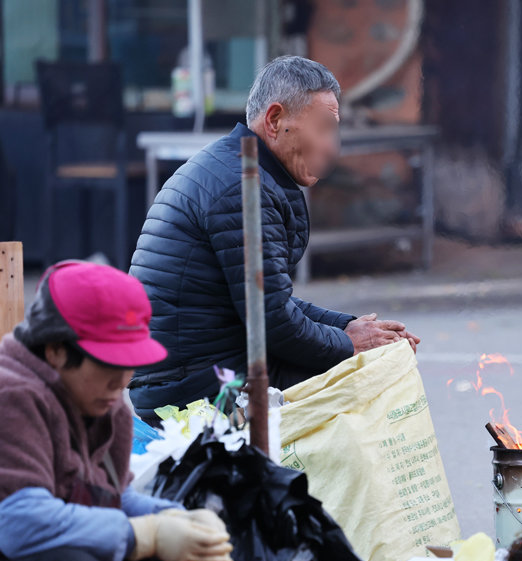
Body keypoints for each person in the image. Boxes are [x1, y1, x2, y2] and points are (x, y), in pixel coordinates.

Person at [129, 56, 420, 420]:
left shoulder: (237, 167)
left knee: (368, 356)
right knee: (371, 377)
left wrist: (350, 326)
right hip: (192, 387)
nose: (333, 148)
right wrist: (351, 343)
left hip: (192, 370)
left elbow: (272, 303)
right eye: (324, 129)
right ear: (274, 119)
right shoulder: (241, 187)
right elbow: (275, 324)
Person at [0, 261, 234, 561]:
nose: (122, 383)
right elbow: (19, 524)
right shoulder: (9, 396)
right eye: (108, 365)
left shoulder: (105, 406)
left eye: (128, 366)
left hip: (32, 557)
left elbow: (112, 496)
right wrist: (145, 535)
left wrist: (172, 517)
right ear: (55, 351)